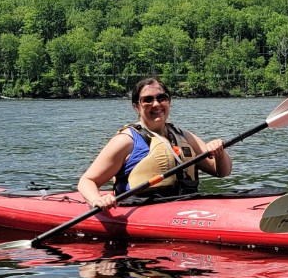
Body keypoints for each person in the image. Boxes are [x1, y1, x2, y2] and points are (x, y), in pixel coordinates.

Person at [77, 77, 232, 209]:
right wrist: (97, 200)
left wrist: (219, 153)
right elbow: (87, 181)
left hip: (186, 205)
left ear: (169, 102)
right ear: (136, 106)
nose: (156, 104)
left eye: (161, 98)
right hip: (142, 209)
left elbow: (221, 171)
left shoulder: (184, 136)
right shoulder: (126, 141)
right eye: (148, 100)